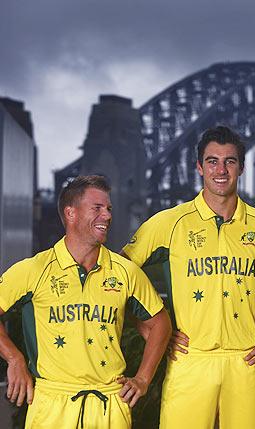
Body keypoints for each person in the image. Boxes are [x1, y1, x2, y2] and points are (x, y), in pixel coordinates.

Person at [122, 125, 255, 429]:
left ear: (241, 167)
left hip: (245, 363)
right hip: (190, 360)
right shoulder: (168, 224)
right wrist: (148, 327)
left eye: (229, 161)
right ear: (199, 167)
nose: (221, 170)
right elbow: (117, 277)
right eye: (212, 161)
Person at [0, 175, 170, 428]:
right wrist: (14, 359)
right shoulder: (34, 269)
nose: (108, 215)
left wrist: (143, 379)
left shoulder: (126, 272)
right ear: (71, 213)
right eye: (97, 208)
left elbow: (160, 323)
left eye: (109, 208)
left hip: (109, 404)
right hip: (51, 405)